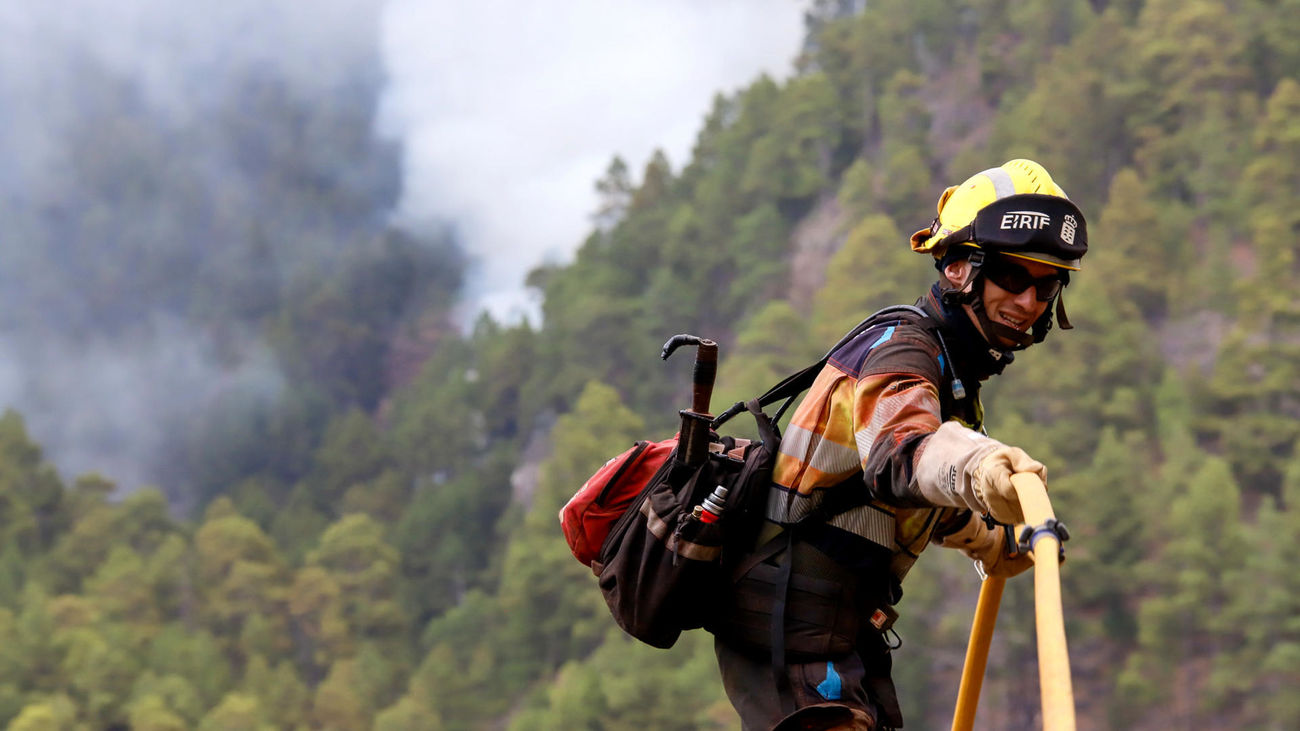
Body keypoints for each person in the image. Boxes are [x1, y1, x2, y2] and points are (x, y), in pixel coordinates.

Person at [710, 159, 1089, 730]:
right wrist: (981, 467)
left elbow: (898, 501)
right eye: (1014, 276)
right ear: (960, 267)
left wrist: (988, 540)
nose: (1030, 301)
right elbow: (902, 456)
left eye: (1047, 284)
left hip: (838, 639)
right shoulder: (903, 351)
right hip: (792, 640)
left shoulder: (951, 372)